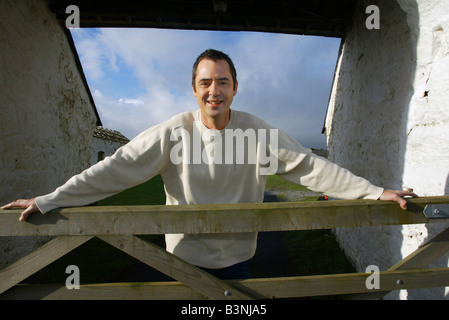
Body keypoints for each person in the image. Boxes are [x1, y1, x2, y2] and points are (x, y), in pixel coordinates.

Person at [1, 49, 417, 279]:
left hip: (238, 262)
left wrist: (376, 192)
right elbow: (115, 168)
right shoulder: (171, 132)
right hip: (175, 262)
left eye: (222, 81)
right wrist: (50, 199)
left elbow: (312, 168)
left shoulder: (259, 133)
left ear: (235, 87)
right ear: (194, 89)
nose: (213, 90)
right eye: (205, 82)